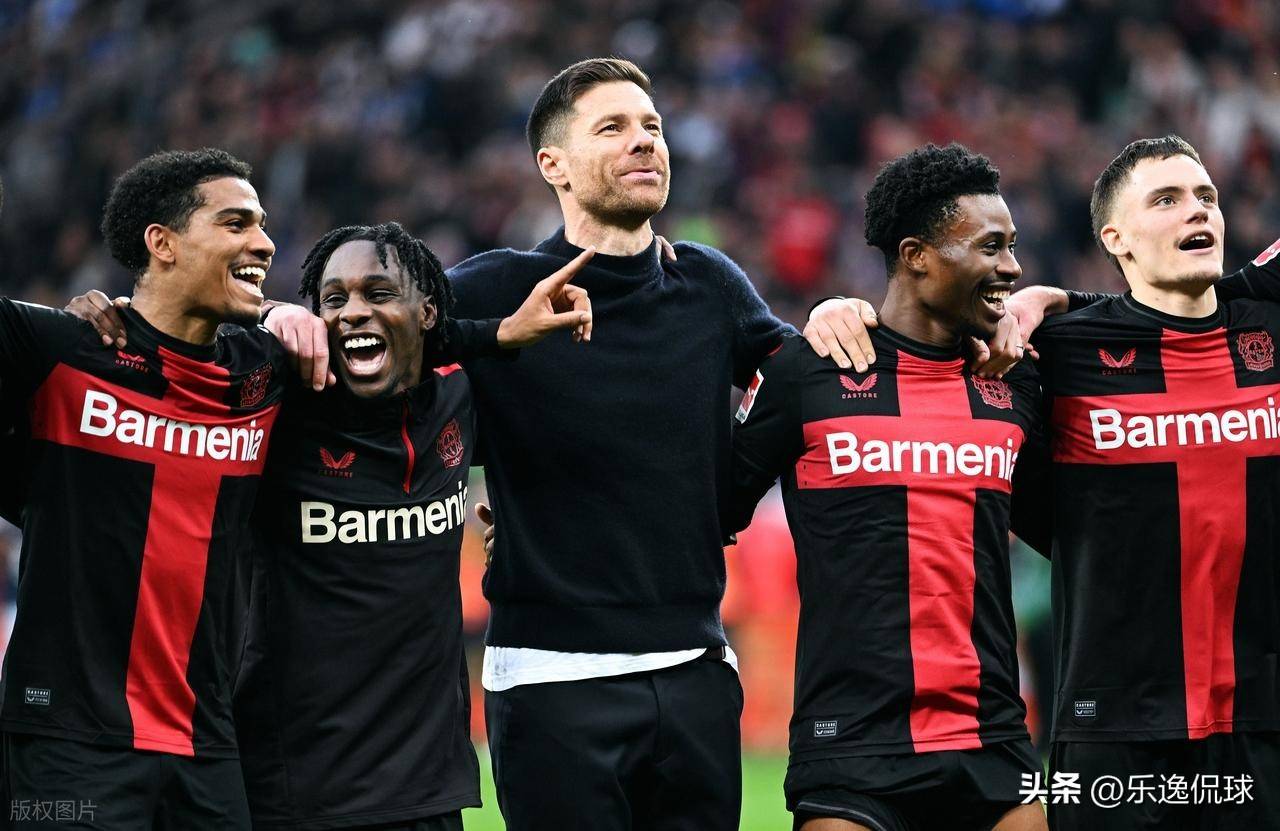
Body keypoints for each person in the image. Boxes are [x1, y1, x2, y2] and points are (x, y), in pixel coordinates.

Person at [69, 221, 595, 831]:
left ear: (428, 312)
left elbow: (550, 449)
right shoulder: (279, 405)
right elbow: (193, 352)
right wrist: (138, 320)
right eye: (334, 299)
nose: (354, 312)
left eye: (378, 293)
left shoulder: (457, 396)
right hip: (297, 789)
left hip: (430, 787)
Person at [838, 135, 1280, 829]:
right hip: (1112, 731)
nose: (1197, 210)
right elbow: (919, 341)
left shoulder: (1269, 325)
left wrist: (1061, 295)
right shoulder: (1055, 351)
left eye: (1206, 197)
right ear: (1116, 238)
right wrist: (841, 311)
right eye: (1166, 200)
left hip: (1263, 722)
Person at [725, 144, 1047, 831]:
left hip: (992, 737)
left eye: (1014, 246)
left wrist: (1054, 301)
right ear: (916, 255)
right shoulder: (809, 370)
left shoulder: (1015, 379)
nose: (1013, 267)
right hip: (852, 746)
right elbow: (707, 510)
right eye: (991, 246)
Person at [0, 148, 285, 829]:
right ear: (162, 242)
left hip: (207, 748)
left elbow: (395, 328)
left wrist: (285, 313)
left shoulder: (268, 373)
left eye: (262, 224)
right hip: (67, 743)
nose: (265, 242)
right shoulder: (62, 351)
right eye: (236, 223)